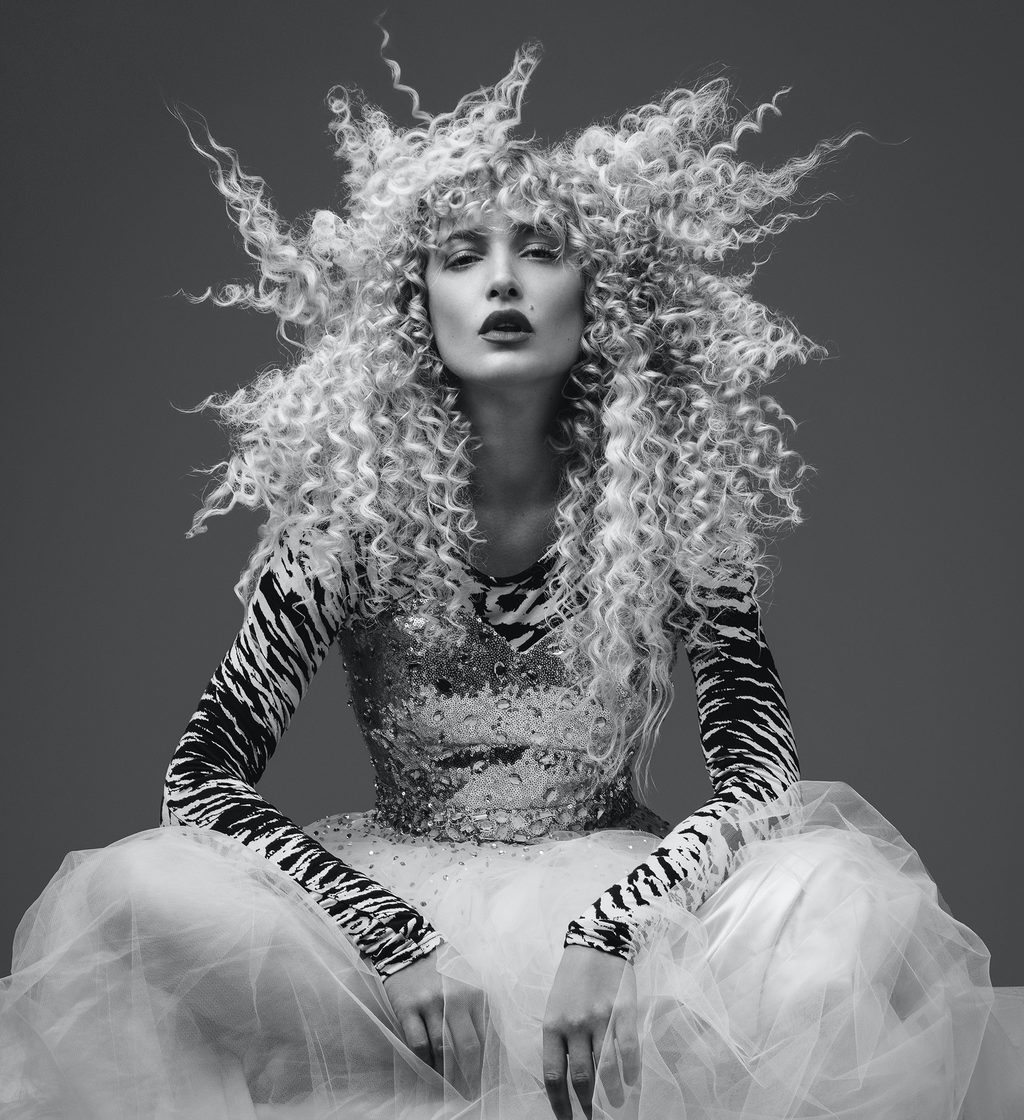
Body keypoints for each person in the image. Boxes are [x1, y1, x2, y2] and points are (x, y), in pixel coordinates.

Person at [2, 41, 1020, 1120]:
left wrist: (617, 925)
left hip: (617, 928)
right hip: (390, 937)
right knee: (133, 889)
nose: (501, 281)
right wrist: (386, 934)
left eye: (539, 251)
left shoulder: (675, 513)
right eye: (461, 257)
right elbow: (201, 780)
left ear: (601, 296)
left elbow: (762, 775)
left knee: (839, 897)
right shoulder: (346, 523)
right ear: (413, 303)